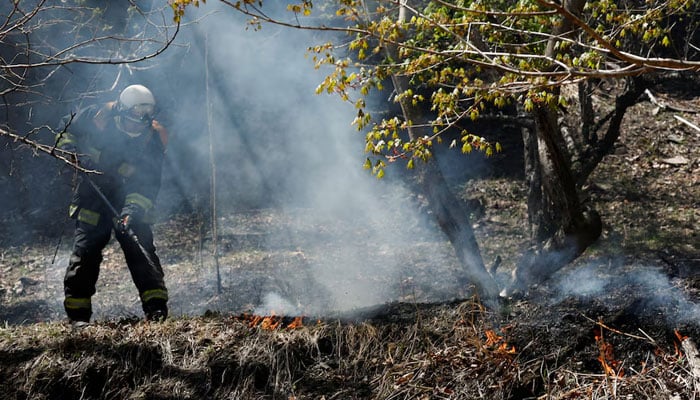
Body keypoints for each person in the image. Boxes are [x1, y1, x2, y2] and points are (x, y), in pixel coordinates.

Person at [55, 84, 169, 327]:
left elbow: (148, 183)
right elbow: (65, 128)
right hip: (92, 195)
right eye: (133, 121)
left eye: (143, 122)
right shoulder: (98, 116)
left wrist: (132, 212)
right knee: (85, 255)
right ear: (121, 112)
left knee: (141, 251)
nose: (138, 127)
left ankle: (156, 311)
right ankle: (78, 318)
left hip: (129, 198)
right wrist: (68, 151)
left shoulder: (153, 138)